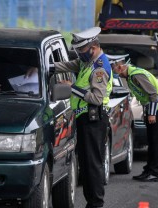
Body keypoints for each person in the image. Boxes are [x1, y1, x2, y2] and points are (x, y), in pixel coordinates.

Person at [54, 27, 113, 208]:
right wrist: (43, 65)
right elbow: (65, 65)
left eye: (81, 50)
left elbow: (96, 97)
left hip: (94, 119)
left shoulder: (99, 68)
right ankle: (91, 202)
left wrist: (72, 87)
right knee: (86, 164)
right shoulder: (86, 62)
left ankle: (96, 203)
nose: (79, 54)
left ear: (93, 47)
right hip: (85, 119)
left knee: (93, 163)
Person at [106, 54, 158, 182]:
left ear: (120, 67)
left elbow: (153, 94)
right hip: (153, 108)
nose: (112, 72)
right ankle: (149, 170)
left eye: (113, 69)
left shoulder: (136, 75)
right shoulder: (130, 76)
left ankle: (156, 173)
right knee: (152, 141)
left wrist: (151, 114)